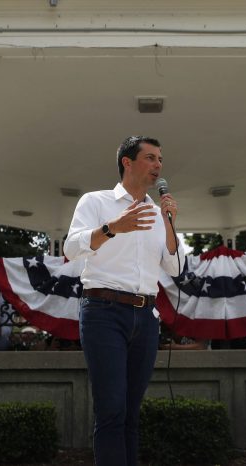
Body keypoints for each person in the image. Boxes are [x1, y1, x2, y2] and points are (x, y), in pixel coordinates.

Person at [64, 135, 183, 466]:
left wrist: (171, 224)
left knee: (131, 412)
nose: (158, 165)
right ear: (126, 162)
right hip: (103, 312)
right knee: (112, 409)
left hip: (146, 318)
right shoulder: (96, 202)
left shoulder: (160, 215)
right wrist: (112, 228)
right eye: (150, 158)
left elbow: (176, 268)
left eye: (160, 159)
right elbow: (70, 249)